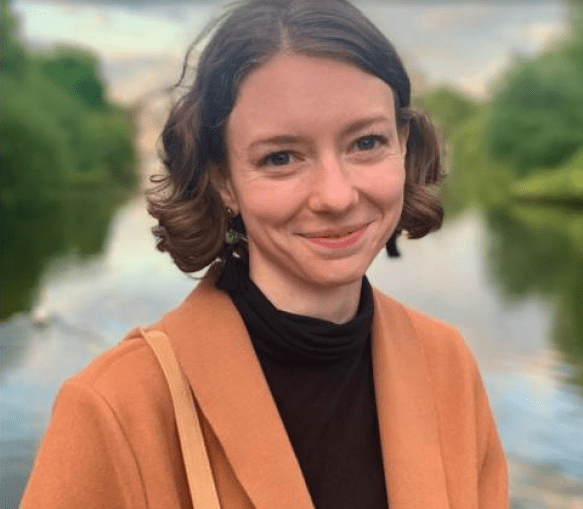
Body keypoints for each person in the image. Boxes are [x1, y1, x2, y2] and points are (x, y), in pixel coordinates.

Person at [20, 0, 508, 507]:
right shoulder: (115, 408)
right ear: (223, 181)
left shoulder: (447, 365)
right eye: (280, 157)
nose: (336, 196)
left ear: (403, 146)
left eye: (366, 142)